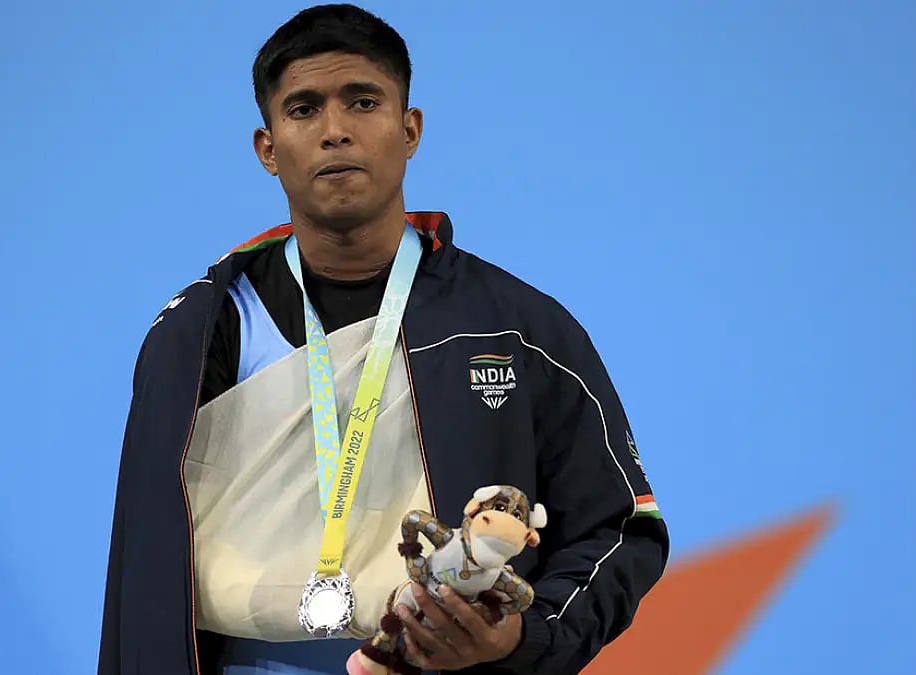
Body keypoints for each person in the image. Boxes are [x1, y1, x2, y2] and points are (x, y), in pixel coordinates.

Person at [97, 4, 670, 674]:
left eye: (363, 102)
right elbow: (143, 566)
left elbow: (623, 528)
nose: (335, 131)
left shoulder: (519, 328)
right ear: (268, 147)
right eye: (304, 109)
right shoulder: (199, 330)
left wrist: (521, 638)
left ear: (410, 129)